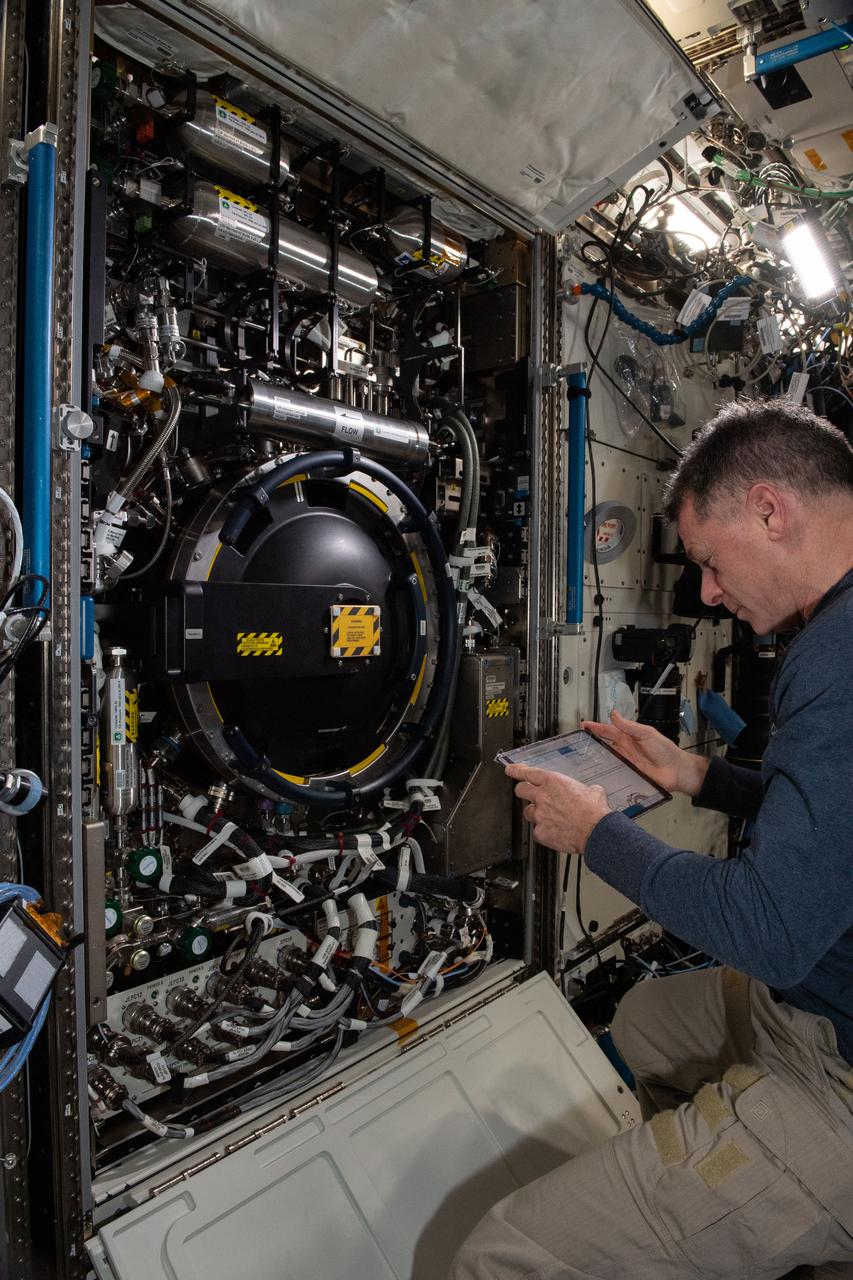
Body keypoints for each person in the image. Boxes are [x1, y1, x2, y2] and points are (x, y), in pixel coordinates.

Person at [449, 399, 853, 1280]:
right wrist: (698, 776)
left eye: (708, 561)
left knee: (498, 1254)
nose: (706, 593)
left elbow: (768, 933)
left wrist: (595, 834)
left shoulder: (835, 656)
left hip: (840, 1078)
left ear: (769, 510)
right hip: (821, 999)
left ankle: (759, 1199)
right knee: (644, 1018)